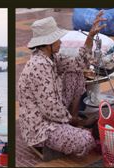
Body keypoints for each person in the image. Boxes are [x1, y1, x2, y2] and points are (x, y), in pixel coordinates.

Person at [17, 12, 105, 157]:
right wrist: (77, 122)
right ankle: (72, 124)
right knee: (86, 140)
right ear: (48, 44)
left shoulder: (50, 57)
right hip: (41, 127)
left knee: (75, 71)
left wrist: (90, 37)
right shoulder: (39, 66)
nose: (61, 43)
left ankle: (71, 122)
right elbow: (50, 108)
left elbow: (78, 63)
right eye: (57, 40)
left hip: (54, 114)